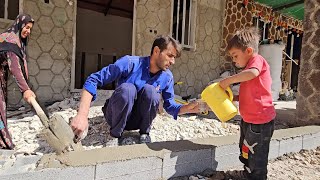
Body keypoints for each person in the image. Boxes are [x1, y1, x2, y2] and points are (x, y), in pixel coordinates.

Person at [71, 35, 200, 146]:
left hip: (137, 122)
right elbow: (93, 80)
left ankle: (144, 134)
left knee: (151, 92)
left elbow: (170, 105)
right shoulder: (130, 63)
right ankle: (115, 136)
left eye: (174, 58)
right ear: (156, 51)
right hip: (115, 117)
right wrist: (82, 115)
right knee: (128, 89)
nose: (172, 62)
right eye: (170, 56)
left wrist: (188, 108)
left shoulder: (167, 77)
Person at [219, 27, 275, 180]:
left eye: (235, 55)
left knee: (257, 157)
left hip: (260, 122)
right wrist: (233, 99)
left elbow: (253, 73)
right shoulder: (248, 70)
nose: (234, 60)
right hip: (249, 119)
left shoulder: (257, 62)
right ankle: (247, 173)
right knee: (246, 150)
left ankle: (256, 177)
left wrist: (228, 80)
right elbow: (250, 94)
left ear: (249, 51)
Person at [0, 14, 36, 149]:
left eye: (30, 29)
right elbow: (15, 67)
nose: (28, 31)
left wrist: (28, 87)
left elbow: (21, 67)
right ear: (19, 25)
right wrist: (25, 89)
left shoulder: (9, 37)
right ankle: (3, 142)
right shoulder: (11, 42)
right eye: (26, 27)